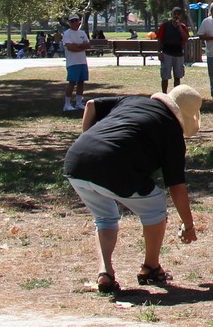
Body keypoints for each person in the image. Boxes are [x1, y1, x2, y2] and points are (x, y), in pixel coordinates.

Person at [65, 84, 202, 294]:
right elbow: (176, 186)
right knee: (155, 207)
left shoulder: (133, 101)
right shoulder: (172, 133)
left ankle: (105, 272)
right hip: (116, 167)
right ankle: (151, 267)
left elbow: (91, 105)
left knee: (105, 218)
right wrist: (189, 225)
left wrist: (91, 144)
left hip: (76, 161)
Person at [62, 13, 92, 112]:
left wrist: (77, 46)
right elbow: (70, 47)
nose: (75, 22)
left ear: (79, 21)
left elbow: (88, 45)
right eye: (72, 21)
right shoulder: (67, 34)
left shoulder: (82, 33)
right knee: (72, 82)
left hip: (82, 61)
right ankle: (67, 104)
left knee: (81, 82)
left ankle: (79, 103)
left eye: (76, 20)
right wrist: (80, 46)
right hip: (73, 62)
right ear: (70, 22)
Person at [157, 7, 189, 94]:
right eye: (174, 14)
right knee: (165, 76)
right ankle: (164, 94)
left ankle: (176, 94)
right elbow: (159, 39)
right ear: (172, 15)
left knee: (177, 76)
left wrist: (180, 28)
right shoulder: (165, 26)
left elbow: (186, 38)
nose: (176, 16)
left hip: (178, 54)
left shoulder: (183, 27)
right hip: (167, 53)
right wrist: (159, 52)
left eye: (178, 14)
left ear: (181, 16)